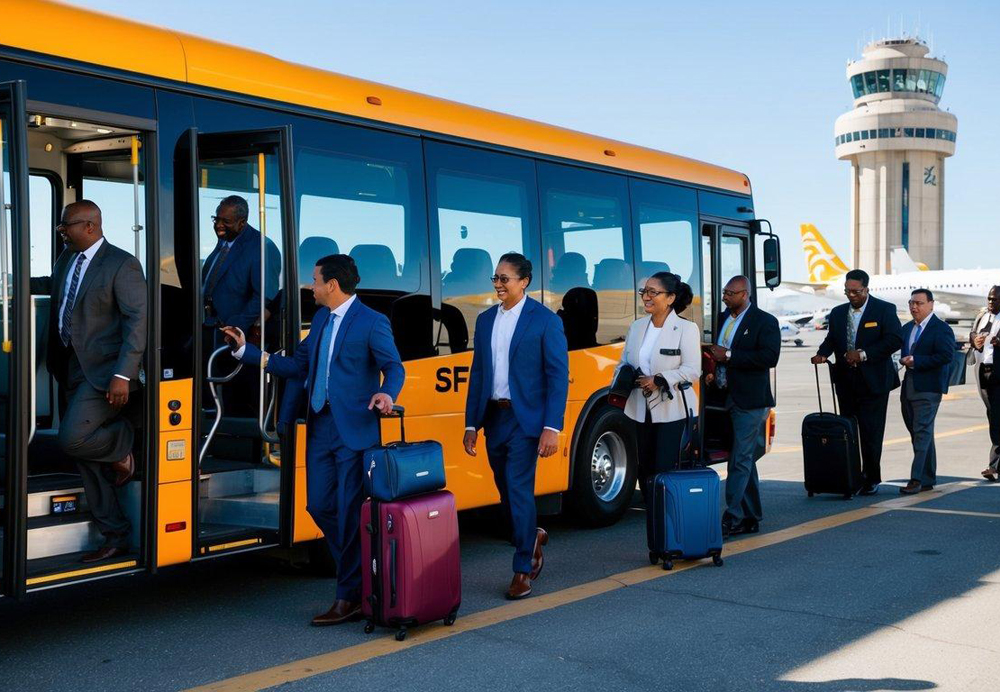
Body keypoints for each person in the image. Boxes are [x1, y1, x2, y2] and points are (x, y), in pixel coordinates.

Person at [222, 254, 404, 625]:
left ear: (332, 285)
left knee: (351, 510)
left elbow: (393, 367)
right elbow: (298, 366)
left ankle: (348, 594)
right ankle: (363, 577)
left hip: (354, 431)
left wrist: (387, 394)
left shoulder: (372, 322)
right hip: (320, 427)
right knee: (319, 506)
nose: (311, 286)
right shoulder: (321, 319)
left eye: (315, 280)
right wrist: (247, 352)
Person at [32, 201, 147, 563]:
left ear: (91, 226)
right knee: (88, 460)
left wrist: (122, 375)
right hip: (67, 366)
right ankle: (116, 533)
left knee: (72, 438)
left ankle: (124, 442)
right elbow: (56, 292)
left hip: (103, 373)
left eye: (66, 226)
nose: (62, 232)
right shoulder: (66, 258)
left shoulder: (122, 263)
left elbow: (138, 322)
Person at [463, 252, 569, 601]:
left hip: (527, 420)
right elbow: (478, 374)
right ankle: (532, 535)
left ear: (524, 282)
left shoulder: (545, 321)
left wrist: (552, 427)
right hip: (494, 418)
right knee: (505, 491)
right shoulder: (484, 321)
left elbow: (557, 378)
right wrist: (470, 424)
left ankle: (523, 568)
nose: (497, 284)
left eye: (504, 279)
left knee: (519, 488)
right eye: (495, 278)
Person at [811, 269, 902, 495]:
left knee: (871, 433)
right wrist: (822, 353)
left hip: (874, 382)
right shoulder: (838, 312)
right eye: (847, 291)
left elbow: (894, 339)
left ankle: (872, 477)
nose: (851, 295)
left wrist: (863, 354)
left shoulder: (884, 310)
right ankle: (851, 474)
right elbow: (832, 339)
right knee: (848, 431)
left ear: (866, 289)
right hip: (845, 381)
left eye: (856, 291)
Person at [706, 276, 780, 537]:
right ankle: (751, 516)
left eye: (730, 293)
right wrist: (715, 370)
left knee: (739, 459)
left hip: (750, 400)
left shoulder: (764, 322)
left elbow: (770, 357)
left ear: (745, 294)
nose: (725, 296)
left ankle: (733, 516)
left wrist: (729, 356)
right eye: (724, 292)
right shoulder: (722, 318)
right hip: (724, 396)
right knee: (744, 458)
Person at [613, 272, 700, 492]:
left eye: (654, 292)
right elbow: (624, 361)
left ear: (670, 298)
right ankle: (653, 514)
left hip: (673, 409)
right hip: (640, 408)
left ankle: (666, 516)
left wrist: (660, 379)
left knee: (664, 467)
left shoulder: (686, 329)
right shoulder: (637, 327)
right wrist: (624, 378)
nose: (646, 297)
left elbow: (692, 370)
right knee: (644, 468)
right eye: (644, 291)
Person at [202, 195, 281, 415]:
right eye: (216, 218)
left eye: (225, 221)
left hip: (238, 334)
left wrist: (237, 326)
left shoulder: (261, 247)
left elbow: (264, 297)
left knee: (237, 400)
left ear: (242, 222)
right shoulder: (224, 242)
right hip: (211, 328)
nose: (218, 225)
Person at [898, 289, 955, 494]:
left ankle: (916, 479)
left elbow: (946, 355)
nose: (914, 307)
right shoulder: (907, 328)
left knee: (922, 431)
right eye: (912, 303)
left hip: (929, 388)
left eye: (919, 303)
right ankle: (928, 478)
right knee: (919, 432)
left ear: (931, 304)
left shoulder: (941, 329)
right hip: (909, 387)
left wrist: (917, 361)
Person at [970, 286, 1000, 481]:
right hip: (984, 372)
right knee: (992, 417)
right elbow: (973, 334)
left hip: (999, 373)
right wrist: (975, 340)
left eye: (995, 300)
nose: (990, 302)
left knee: (997, 418)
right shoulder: (983, 316)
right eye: (989, 299)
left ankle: (994, 466)